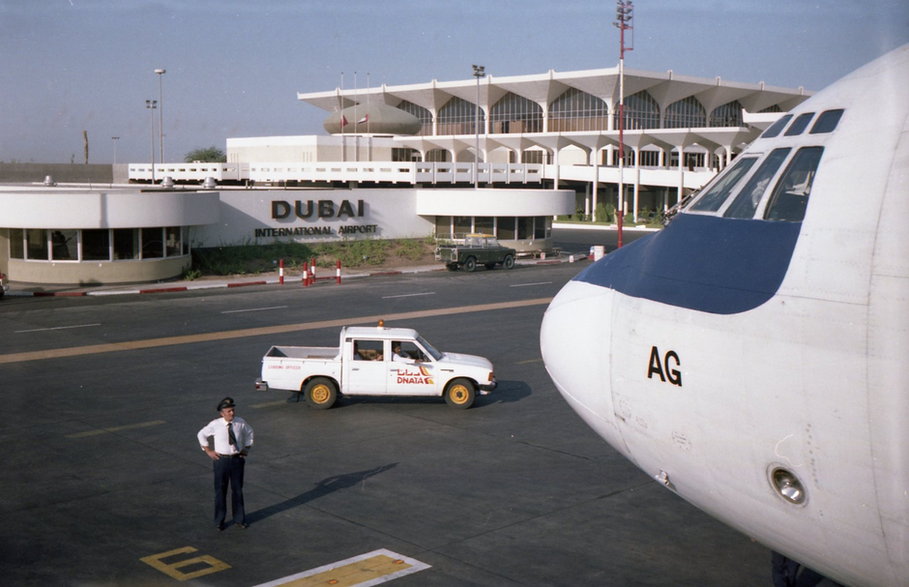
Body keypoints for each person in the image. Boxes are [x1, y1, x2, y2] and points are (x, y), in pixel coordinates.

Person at [197, 397, 254, 530]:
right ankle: (219, 521)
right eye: (228, 411)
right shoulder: (215, 424)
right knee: (220, 491)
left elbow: (250, 433)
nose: (232, 413)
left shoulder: (240, 422)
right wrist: (208, 451)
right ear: (222, 413)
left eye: (232, 410)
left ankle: (239, 519)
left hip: (236, 460)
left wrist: (246, 449)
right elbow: (201, 435)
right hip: (221, 460)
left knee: (238, 490)